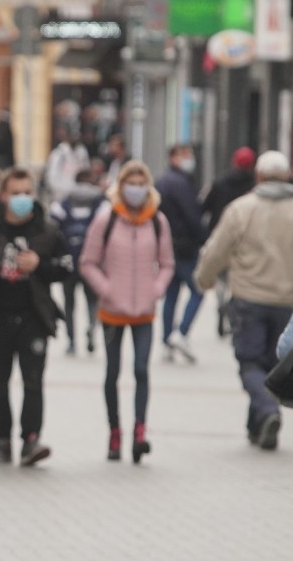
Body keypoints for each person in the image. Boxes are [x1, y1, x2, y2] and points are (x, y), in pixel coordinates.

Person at [0, 167, 73, 466]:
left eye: (27, 192)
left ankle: (31, 441)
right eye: (16, 193)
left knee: (33, 382)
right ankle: (2, 440)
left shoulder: (47, 229)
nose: (22, 198)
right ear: (3, 196)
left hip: (34, 317)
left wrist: (40, 264)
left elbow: (66, 266)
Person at [194, 150, 293, 451]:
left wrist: (204, 279)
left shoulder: (242, 209)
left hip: (249, 297)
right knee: (273, 362)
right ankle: (258, 427)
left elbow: (216, 249)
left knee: (249, 362)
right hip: (287, 301)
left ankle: (266, 411)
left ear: (258, 176)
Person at [80, 160, 175, 463]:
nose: (136, 189)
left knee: (141, 370)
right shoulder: (106, 220)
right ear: (120, 187)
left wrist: (156, 289)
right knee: (112, 372)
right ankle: (114, 432)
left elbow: (167, 263)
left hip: (144, 311)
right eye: (130, 184)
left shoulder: (157, 221)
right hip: (113, 310)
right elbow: (88, 262)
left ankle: (139, 432)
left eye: (140, 183)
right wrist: (106, 290)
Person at [156, 143, 204, 363]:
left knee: (172, 294)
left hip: (168, 245)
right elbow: (192, 215)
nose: (189, 159)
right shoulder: (180, 183)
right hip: (185, 246)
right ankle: (181, 333)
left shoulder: (163, 181)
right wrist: (203, 238)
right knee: (198, 289)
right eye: (185, 155)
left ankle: (167, 340)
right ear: (174, 157)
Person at [50, 168, 106, 354]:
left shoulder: (64, 202)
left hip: (68, 260)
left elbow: (52, 226)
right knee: (92, 300)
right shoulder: (100, 202)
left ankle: (72, 341)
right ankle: (91, 328)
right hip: (92, 261)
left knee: (69, 303)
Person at [202, 146, 256, 337]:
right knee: (239, 279)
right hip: (247, 242)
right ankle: (231, 307)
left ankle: (222, 304)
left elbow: (204, 207)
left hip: (221, 236)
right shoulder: (253, 186)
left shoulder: (220, 183)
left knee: (222, 280)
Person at [45, 130, 90, 202]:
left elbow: (86, 171)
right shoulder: (59, 154)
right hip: (61, 194)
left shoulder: (82, 152)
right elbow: (52, 176)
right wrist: (59, 190)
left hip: (79, 195)